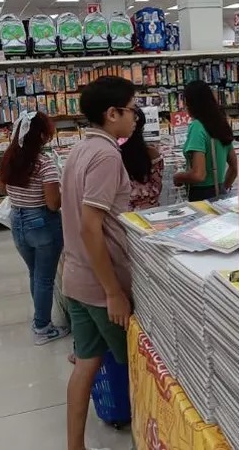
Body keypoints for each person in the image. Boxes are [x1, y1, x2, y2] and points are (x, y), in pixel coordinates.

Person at [60, 76, 137, 450]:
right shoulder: (107, 156)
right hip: (99, 285)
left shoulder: (80, 148)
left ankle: (75, 445)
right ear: (112, 114)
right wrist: (113, 292)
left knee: (86, 363)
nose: (136, 117)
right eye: (133, 109)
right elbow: (91, 226)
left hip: (75, 276)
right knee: (137, 367)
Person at [0, 110, 68, 346]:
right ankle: (42, 328)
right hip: (42, 223)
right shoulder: (44, 164)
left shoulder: (9, 159)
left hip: (17, 221)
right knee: (45, 278)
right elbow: (53, 203)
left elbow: (2, 189)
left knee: (35, 273)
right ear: (42, 136)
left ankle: (40, 319)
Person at [173, 81, 238, 201]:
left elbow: (199, 175)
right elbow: (234, 167)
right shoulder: (221, 124)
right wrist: (223, 188)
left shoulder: (197, 127)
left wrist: (178, 177)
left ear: (191, 103)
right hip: (219, 191)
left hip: (201, 194)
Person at [121, 107, 164, 210]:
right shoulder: (151, 153)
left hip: (123, 214)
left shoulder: (113, 153)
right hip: (150, 211)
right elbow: (156, 188)